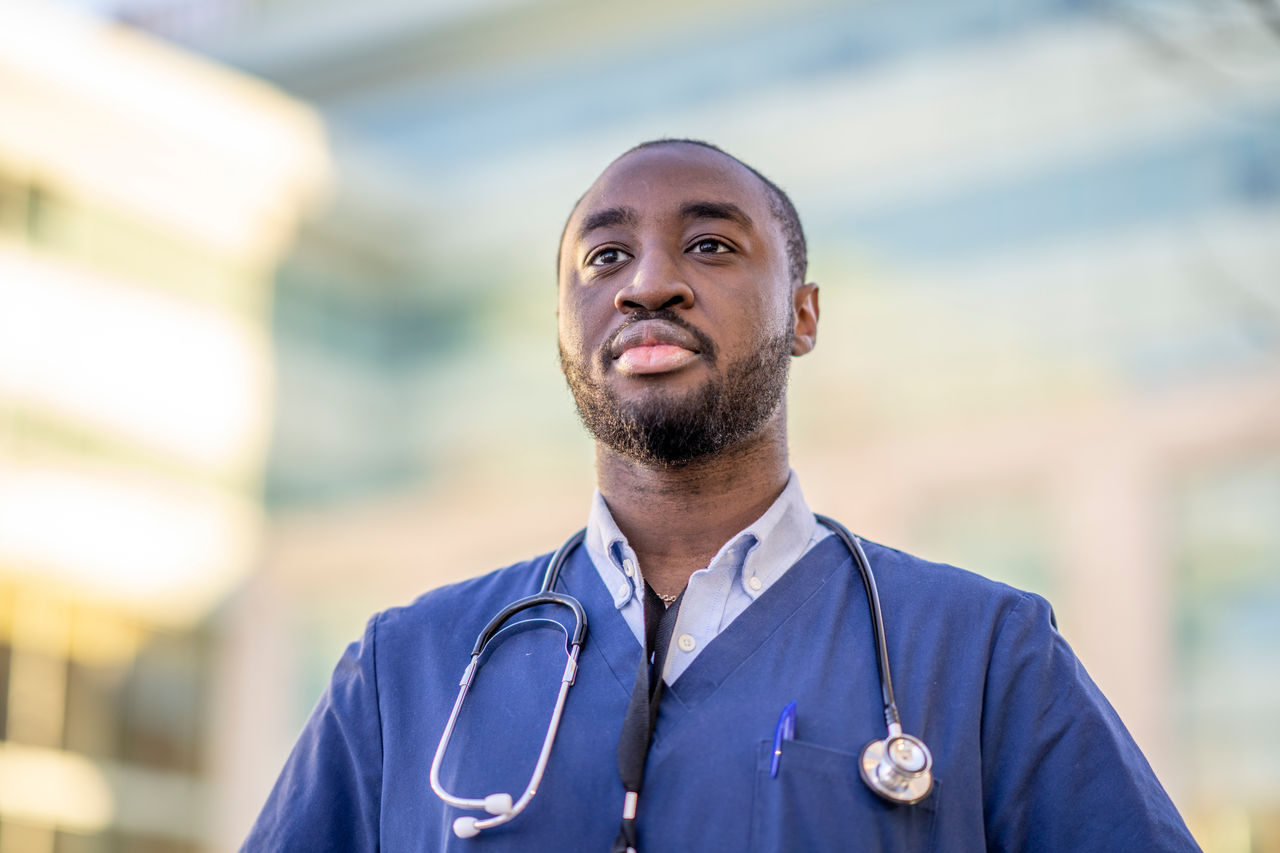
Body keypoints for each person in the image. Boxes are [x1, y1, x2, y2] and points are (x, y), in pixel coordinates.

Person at [242, 139, 1200, 851]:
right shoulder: (403, 672)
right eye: (605, 258)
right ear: (566, 325)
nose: (648, 284)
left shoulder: (984, 653)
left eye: (708, 245)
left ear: (804, 315)